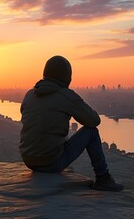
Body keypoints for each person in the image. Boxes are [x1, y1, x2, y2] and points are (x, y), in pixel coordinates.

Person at [19, 55, 123, 191]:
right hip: (51, 162)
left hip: (29, 161)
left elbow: (25, 113)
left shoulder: (30, 94)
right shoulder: (65, 95)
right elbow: (94, 120)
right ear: (67, 77)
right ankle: (103, 178)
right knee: (91, 132)